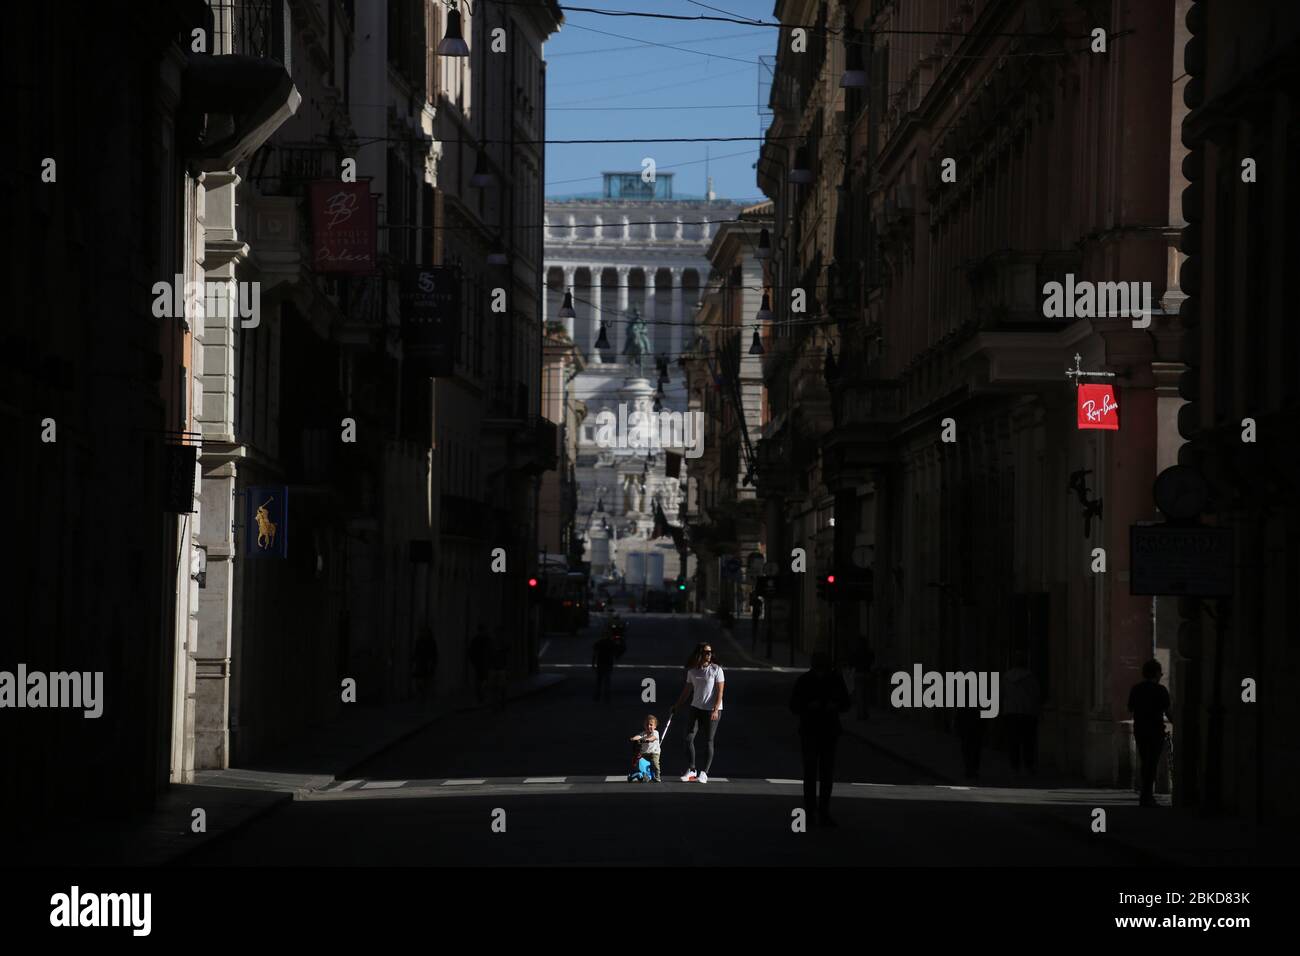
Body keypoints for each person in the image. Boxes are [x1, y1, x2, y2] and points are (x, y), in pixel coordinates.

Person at [790, 651, 851, 827]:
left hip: (827, 731)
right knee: (811, 774)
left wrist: (835, 705)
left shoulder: (834, 680)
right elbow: (794, 705)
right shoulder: (805, 680)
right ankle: (811, 813)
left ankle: (822, 812)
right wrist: (808, 706)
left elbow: (846, 704)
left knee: (825, 774)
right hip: (811, 730)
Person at [672, 643, 725, 783]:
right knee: (688, 739)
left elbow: (720, 692)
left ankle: (705, 773)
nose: (709, 654)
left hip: (712, 711)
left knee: (709, 740)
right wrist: (676, 706)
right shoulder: (692, 671)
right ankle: (692, 769)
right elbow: (686, 691)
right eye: (706, 652)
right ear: (699, 653)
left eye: (710, 652)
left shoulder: (716, 670)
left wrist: (715, 709)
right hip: (695, 708)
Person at [1128, 659, 1171, 807]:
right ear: (1156, 673)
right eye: (1161, 673)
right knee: (1152, 763)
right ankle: (1147, 796)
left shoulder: (1136, 689)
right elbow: (1168, 711)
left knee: (1145, 761)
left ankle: (1145, 795)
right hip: (1155, 731)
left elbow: (1130, 708)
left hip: (1140, 730)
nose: (1161, 675)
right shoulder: (1161, 690)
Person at [1000, 651, 1041, 775]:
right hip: (1027, 712)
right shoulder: (1030, 677)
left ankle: (1014, 766)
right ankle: (1028, 765)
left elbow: (1002, 694)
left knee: (1013, 741)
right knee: (1028, 741)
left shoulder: (1006, 677)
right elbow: (1036, 694)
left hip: (1011, 712)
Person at [627, 714, 662, 782]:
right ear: (644, 726)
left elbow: (653, 738)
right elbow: (638, 736)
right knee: (638, 762)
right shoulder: (643, 733)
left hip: (654, 753)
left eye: (651, 725)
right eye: (647, 725)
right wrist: (633, 738)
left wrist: (647, 740)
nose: (649, 726)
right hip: (644, 753)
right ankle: (641, 773)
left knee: (655, 763)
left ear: (655, 726)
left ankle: (657, 776)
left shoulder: (655, 733)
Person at [592, 629, 618, 703]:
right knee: (607, 680)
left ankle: (597, 696)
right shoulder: (612, 643)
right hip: (608, 663)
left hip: (600, 663)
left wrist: (593, 664)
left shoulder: (598, 643)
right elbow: (615, 653)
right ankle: (607, 696)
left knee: (599, 681)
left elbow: (595, 654)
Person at [469, 624, 492, 704]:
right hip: (479, 663)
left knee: (483, 679)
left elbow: (491, 651)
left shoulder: (487, 640)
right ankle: (480, 695)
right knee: (480, 679)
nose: (484, 632)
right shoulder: (476, 640)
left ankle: (482, 694)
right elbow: (471, 652)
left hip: (485, 663)